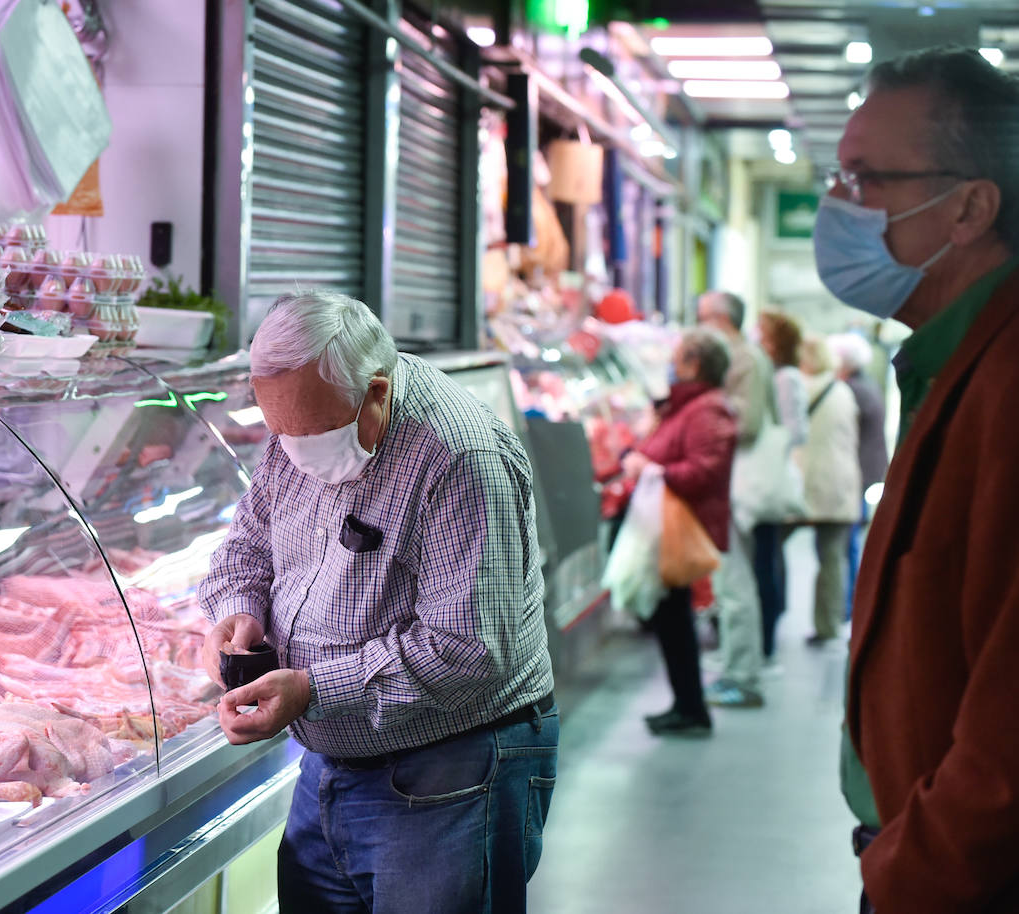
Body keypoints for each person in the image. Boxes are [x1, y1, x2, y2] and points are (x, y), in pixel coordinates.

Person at [198, 290, 558, 912]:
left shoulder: (461, 459)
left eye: (313, 435)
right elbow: (250, 542)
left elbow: (469, 651)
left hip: (453, 773)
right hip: (332, 766)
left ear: (377, 395)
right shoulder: (301, 416)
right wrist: (240, 609)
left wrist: (313, 691)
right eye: (281, 434)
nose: (295, 452)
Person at [816, 46, 1019, 911]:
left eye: (865, 180)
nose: (837, 204)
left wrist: (913, 874)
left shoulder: (1008, 382)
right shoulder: (947, 360)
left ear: (969, 208)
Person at [621, 328, 737, 737]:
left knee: (676, 621)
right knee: (670, 622)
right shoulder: (685, 406)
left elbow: (706, 470)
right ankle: (685, 704)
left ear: (694, 364)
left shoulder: (707, 409)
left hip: (678, 532)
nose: (671, 362)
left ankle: (691, 709)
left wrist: (654, 471)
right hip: (664, 528)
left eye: (679, 356)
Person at [695, 290, 770, 708]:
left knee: (737, 583)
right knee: (732, 582)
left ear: (722, 319)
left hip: (739, 484)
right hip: (731, 484)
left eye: (704, 316)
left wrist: (703, 417)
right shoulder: (744, 356)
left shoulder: (744, 359)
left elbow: (750, 422)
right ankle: (737, 667)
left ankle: (744, 677)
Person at [752, 309, 809, 662]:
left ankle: (766, 641)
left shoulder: (786, 378)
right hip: (767, 474)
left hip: (768, 478)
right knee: (767, 559)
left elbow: (794, 430)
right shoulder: (776, 374)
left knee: (765, 561)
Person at [796, 335, 860, 645]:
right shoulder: (843, 391)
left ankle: (770, 617)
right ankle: (829, 624)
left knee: (767, 552)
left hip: (801, 482)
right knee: (833, 559)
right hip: (841, 482)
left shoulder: (797, 388)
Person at [827, 332, 889, 619]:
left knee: (849, 542)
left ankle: (851, 604)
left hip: (859, 471)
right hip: (866, 469)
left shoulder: (853, 389)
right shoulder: (866, 384)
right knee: (851, 540)